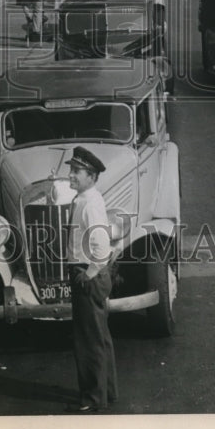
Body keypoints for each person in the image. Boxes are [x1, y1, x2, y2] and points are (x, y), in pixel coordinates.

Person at [65, 146, 117, 413]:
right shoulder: (86, 198)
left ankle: (94, 400)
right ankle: (107, 391)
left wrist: (90, 274)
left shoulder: (89, 205)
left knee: (88, 341)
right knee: (100, 336)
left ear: (91, 175)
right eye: (71, 170)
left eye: (76, 171)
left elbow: (101, 247)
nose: (70, 175)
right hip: (87, 272)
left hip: (87, 275)